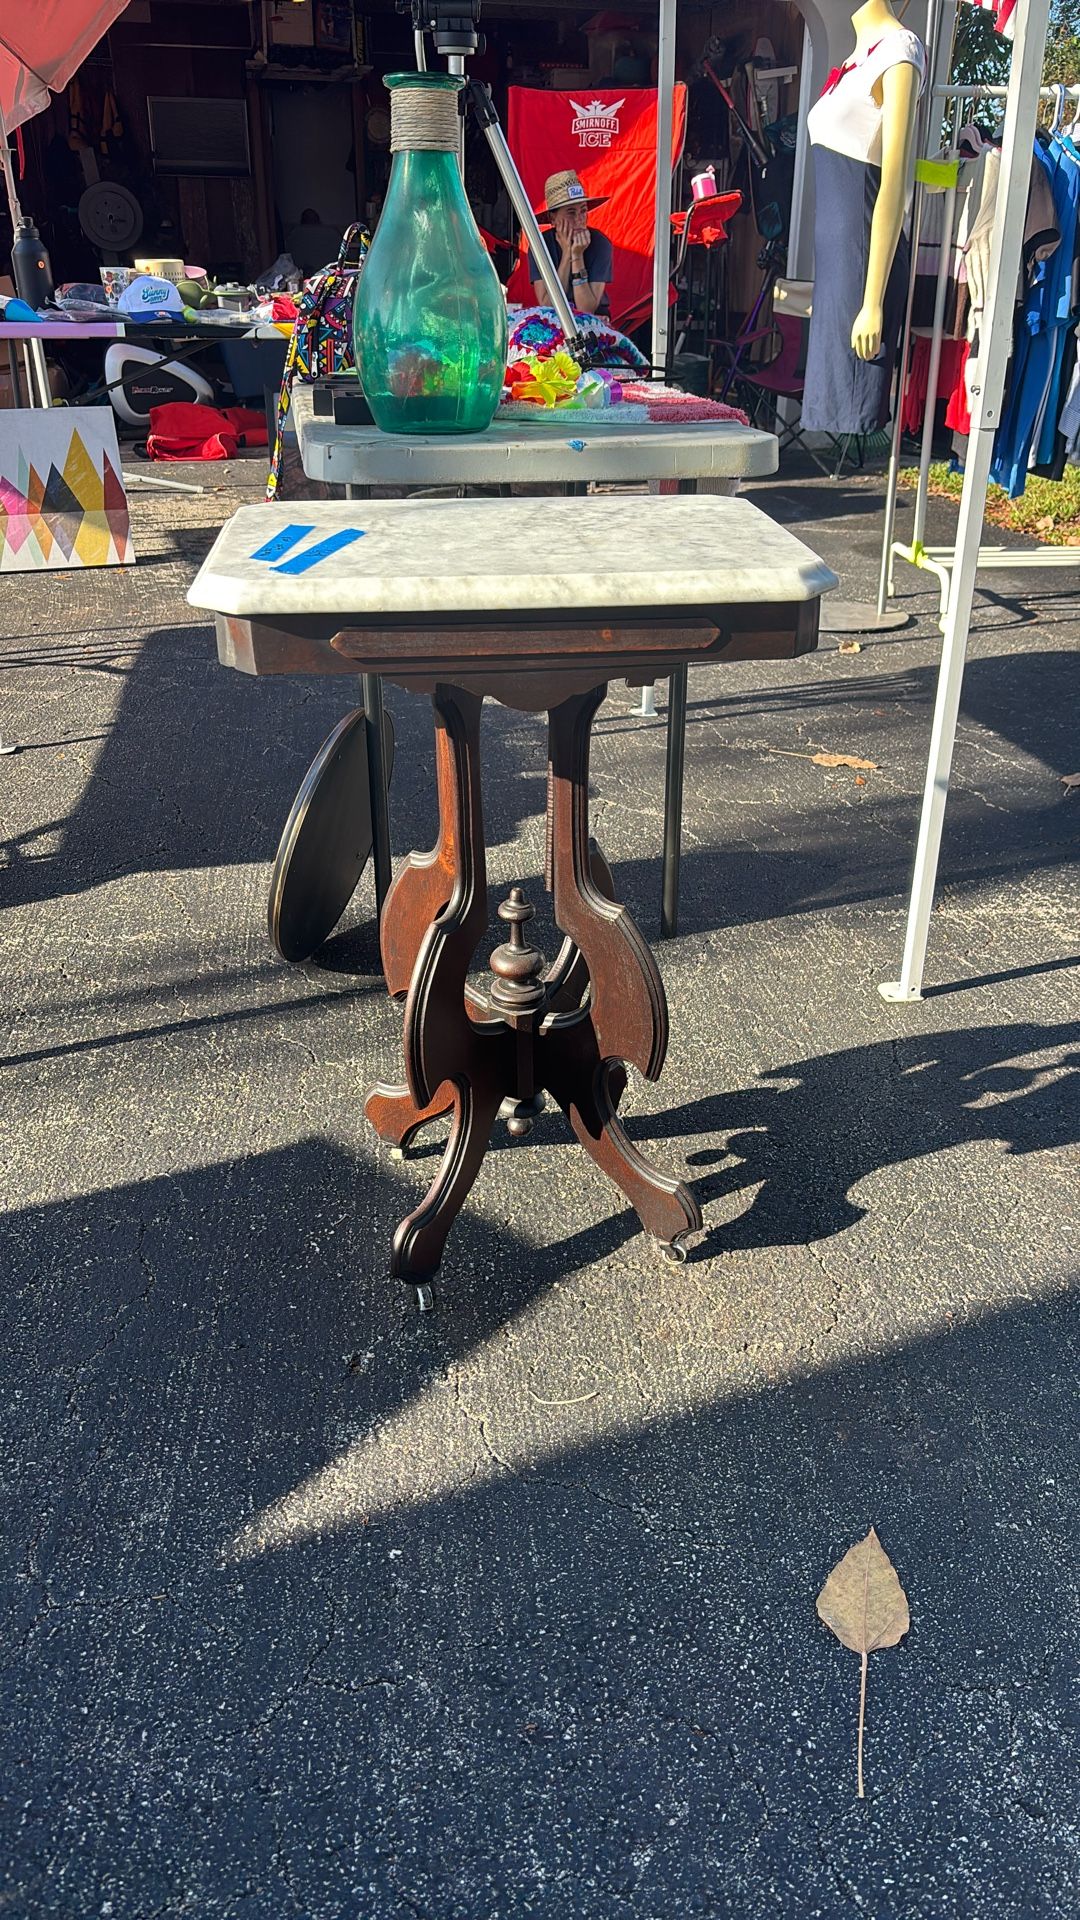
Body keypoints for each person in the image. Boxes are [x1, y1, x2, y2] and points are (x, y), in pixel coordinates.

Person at [528, 170, 613, 316]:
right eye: (571, 213)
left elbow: (586, 309)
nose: (579, 219)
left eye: (583, 211)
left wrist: (577, 256)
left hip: (594, 319)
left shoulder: (600, 243)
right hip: (554, 318)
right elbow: (549, 305)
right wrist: (567, 254)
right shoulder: (540, 245)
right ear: (552, 218)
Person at [285, 207, 345, 278]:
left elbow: (292, 258)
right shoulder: (332, 232)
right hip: (331, 273)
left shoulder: (295, 233)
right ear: (318, 220)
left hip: (306, 275)